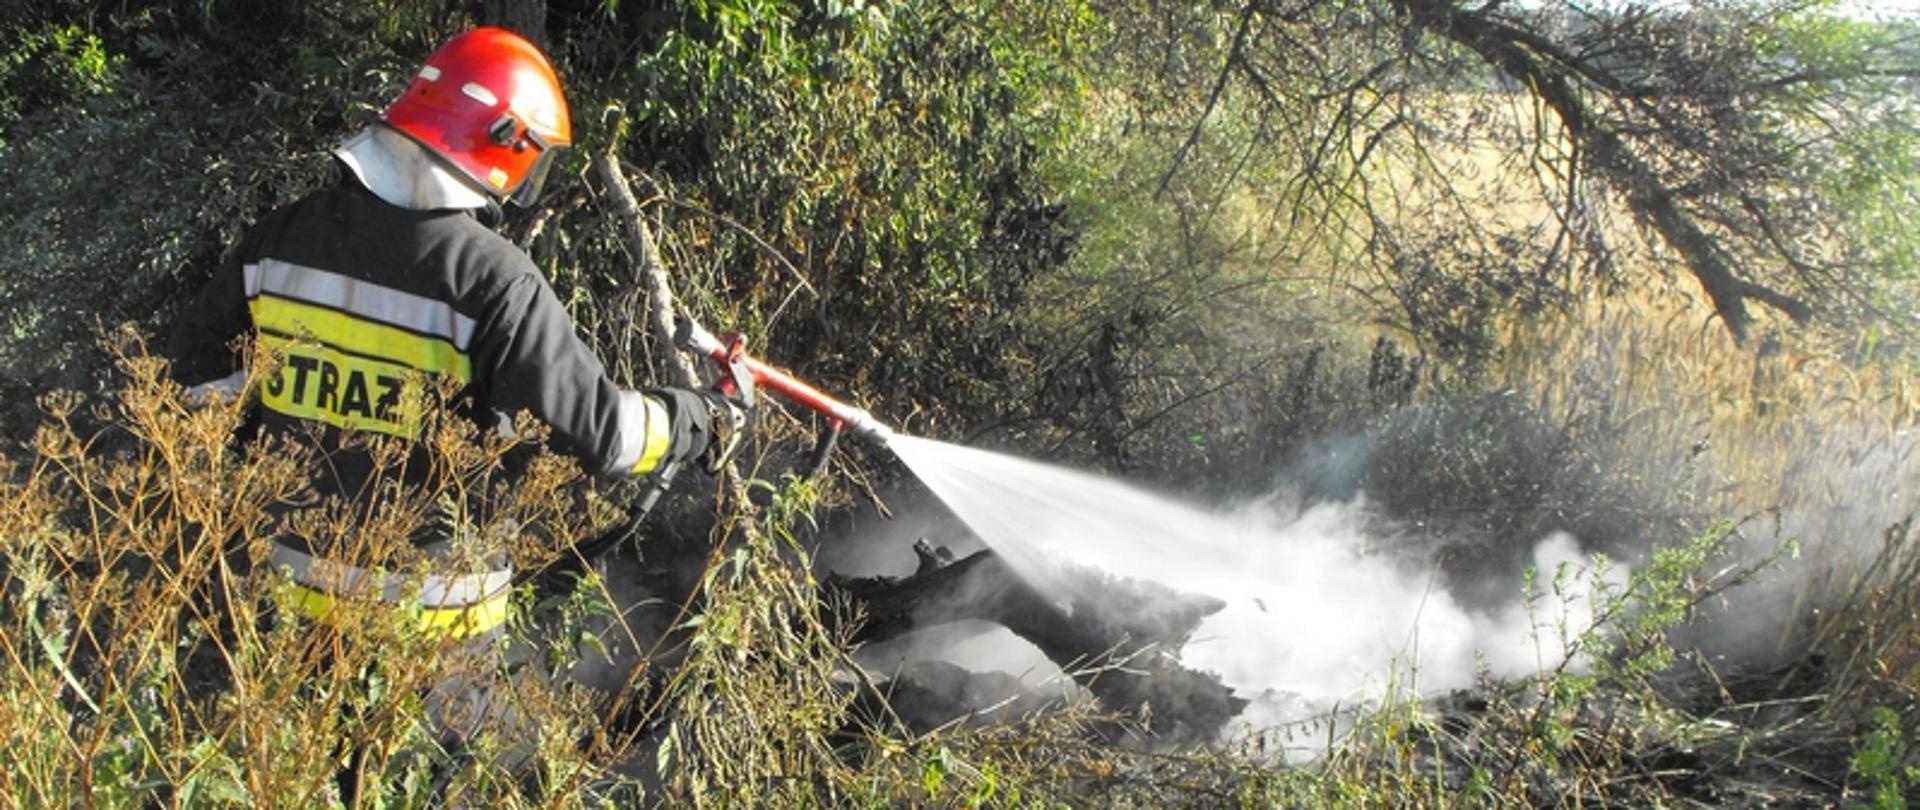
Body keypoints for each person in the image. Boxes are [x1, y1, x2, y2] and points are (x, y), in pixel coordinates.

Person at [167, 25, 723, 781]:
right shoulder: (492, 279)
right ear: (503, 143)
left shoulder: (282, 237)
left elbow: (195, 394)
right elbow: (604, 437)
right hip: (430, 647)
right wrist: (699, 418)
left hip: (282, 612)